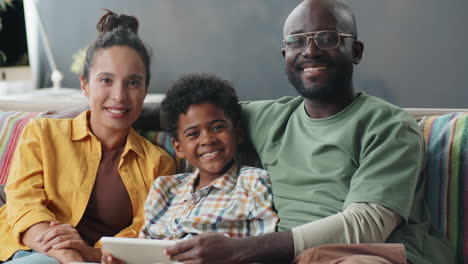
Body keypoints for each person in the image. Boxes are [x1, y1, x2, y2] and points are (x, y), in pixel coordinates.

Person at [162, 0, 454, 263]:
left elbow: (367, 224)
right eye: (297, 41)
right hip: (293, 257)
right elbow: (192, 110)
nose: (310, 51)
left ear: (356, 51)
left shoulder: (388, 126)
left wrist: (241, 249)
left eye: (327, 39)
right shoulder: (268, 118)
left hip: (371, 254)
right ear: (285, 54)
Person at [0, 10, 175, 264]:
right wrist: (72, 258)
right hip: (29, 251)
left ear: (146, 90)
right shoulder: (42, 134)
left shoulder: (158, 164)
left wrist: (90, 253)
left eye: (133, 83)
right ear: (84, 85)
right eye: (106, 80)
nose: (119, 95)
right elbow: (23, 207)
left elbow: (145, 233)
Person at [102, 73, 278, 264]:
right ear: (178, 147)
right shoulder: (165, 188)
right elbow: (144, 252)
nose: (207, 140)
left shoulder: (253, 182)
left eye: (218, 127)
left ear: (238, 133)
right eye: (193, 134)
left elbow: (266, 253)